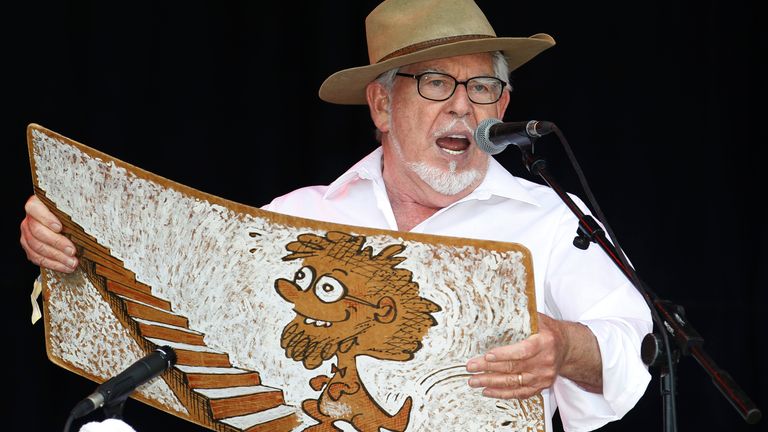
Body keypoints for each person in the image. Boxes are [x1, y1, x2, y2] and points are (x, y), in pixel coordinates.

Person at [19, 0, 653, 430]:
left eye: (481, 86)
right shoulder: (298, 217)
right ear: (381, 104)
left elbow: (638, 348)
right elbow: (171, 313)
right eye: (436, 83)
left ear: (504, 101)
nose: (463, 107)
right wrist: (64, 255)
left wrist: (568, 347)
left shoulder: (549, 217)